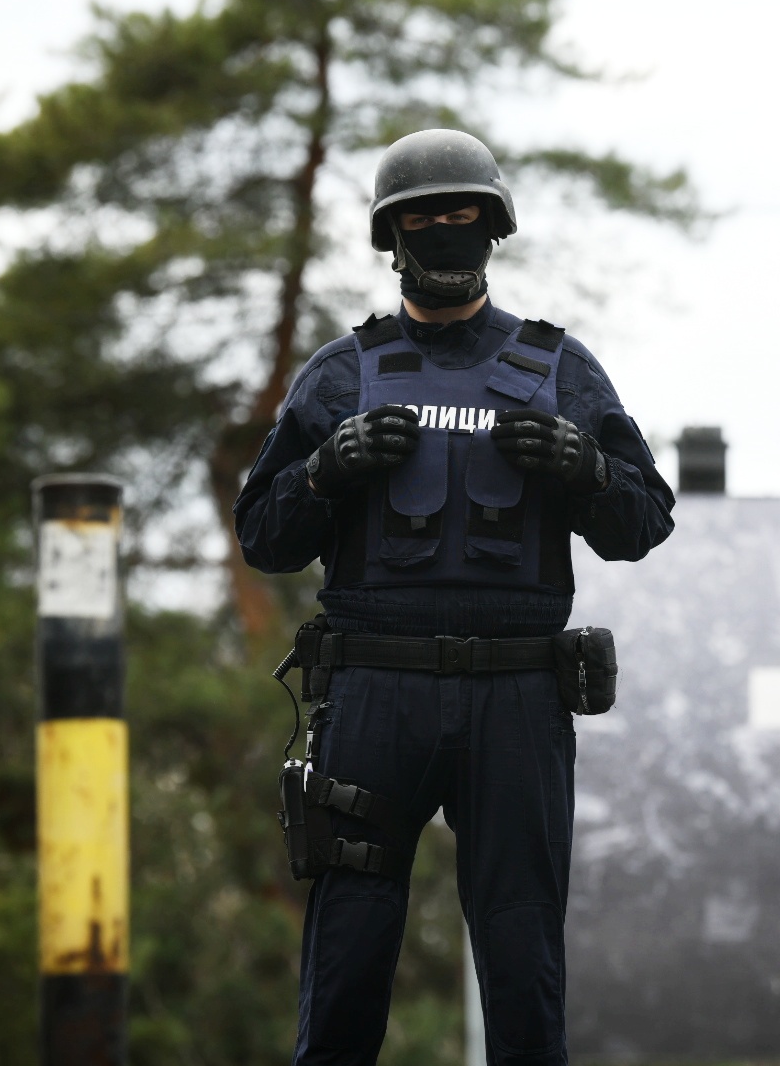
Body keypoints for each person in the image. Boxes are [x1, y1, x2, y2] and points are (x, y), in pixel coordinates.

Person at [234, 128, 675, 1066]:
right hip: (373, 700)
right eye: (423, 215)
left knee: (523, 968)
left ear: (494, 224)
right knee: (346, 966)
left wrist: (589, 469)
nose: (444, 227)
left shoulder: (559, 369)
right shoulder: (342, 373)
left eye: (461, 210)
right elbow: (264, 537)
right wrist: (324, 469)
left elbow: (643, 523)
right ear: (392, 236)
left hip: (517, 703)